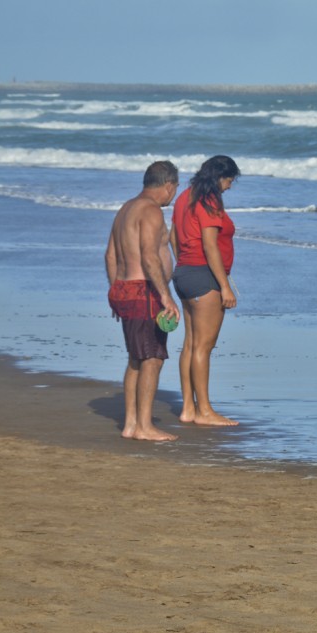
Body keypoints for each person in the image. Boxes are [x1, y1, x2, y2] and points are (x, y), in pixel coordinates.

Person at [104, 160, 181, 441]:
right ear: (168, 185)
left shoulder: (125, 209)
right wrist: (165, 296)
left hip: (125, 289)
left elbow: (110, 256)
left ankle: (131, 424)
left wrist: (116, 292)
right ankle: (145, 427)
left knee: (136, 358)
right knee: (152, 358)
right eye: (175, 189)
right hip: (144, 291)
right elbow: (149, 256)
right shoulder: (150, 211)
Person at [171, 155, 241, 427]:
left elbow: (172, 236)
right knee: (203, 346)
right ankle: (205, 411)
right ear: (219, 177)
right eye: (229, 180)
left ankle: (189, 407)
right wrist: (225, 287)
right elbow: (210, 245)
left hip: (185, 274)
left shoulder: (184, 197)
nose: (229, 186)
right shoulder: (209, 201)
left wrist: (182, 264)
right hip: (205, 277)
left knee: (190, 344)